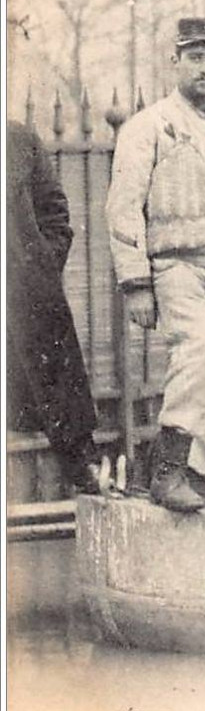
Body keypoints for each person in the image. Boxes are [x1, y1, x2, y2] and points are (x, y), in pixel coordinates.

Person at [107, 17, 205, 512]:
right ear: (174, 61)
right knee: (199, 348)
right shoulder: (149, 125)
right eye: (194, 57)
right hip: (175, 263)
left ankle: (195, 475)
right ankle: (167, 470)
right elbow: (122, 206)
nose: (204, 68)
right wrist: (135, 281)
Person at [7, 119, 101, 495]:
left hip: (22, 290)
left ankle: (85, 477)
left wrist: (39, 265)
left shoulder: (17, 138)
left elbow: (55, 212)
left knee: (55, 393)